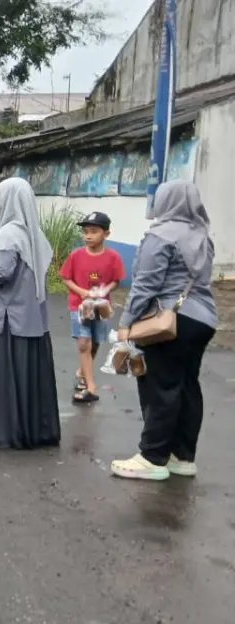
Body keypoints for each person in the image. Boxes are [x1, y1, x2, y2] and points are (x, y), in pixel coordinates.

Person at [111, 180, 218, 481]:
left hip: (169, 320)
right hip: (203, 320)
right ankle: (182, 456)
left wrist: (125, 325)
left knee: (160, 385)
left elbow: (145, 284)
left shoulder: (160, 235)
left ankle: (152, 457)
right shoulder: (202, 236)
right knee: (186, 385)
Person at [0, 177, 60, 449]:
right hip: (31, 320)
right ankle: (32, 430)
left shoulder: (8, 234)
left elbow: (1, 272)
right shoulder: (34, 234)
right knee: (28, 377)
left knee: (2, 376)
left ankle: (0, 430)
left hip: (7, 320)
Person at [59, 212, 125, 404]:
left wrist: (105, 290)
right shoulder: (75, 255)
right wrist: (81, 292)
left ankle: (82, 372)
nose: (88, 236)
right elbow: (65, 277)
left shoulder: (113, 257)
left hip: (101, 306)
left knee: (95, 342)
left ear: (106, 234)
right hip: (78, 306)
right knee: (83, 343)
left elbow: (116, 280)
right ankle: (90, 386)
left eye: (94, 232)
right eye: (85, 232)